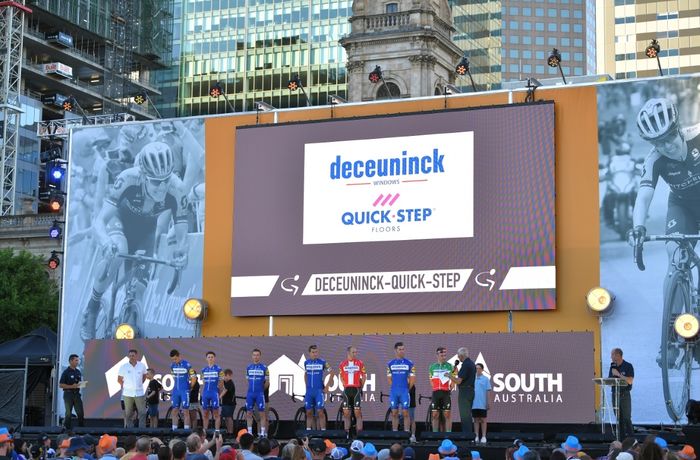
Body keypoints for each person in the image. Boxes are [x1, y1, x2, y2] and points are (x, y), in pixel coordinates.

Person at [80, 142, 189, 340]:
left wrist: (182, 255)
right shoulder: (128, 178)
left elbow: (183, 235)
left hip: (146, 232)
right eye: (156, 182)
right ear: (143, 175)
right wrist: (105, 242)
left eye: (166, 179)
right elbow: (100, 221)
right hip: (119, 223)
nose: (163, 187)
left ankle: (132, 322)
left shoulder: (177, 188)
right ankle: (92, 306)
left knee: (139, 291)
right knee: (118, 250)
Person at [629, 98, 700, 348]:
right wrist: (638, 228)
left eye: (669, 137)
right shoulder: (654, 159)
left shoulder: (698, 136)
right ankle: (670, 332)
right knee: (675, 258)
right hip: (682, 208)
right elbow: (643, 197)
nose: (666, 146)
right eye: (658, 142)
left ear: (678, 128)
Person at [386, 342, 416, 442]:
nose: (402, 351)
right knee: (394, 413)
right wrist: (395, 387)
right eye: (400, 349)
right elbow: (389, 379)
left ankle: (407, 433)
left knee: (405, 413)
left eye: (403, 349)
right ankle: (395, 433)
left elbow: (412, 379)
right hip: (394, 391)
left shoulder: (410, 363)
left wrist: (407, 389)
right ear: (395, 350)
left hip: (404, 391)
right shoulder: (390, 363)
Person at [303, 345, 333, 430]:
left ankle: (323, 432)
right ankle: (309, 432)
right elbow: (305, 374)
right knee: (309, 412)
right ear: (309, 353)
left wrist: (327, 386)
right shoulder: (306, 363)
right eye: (313, 352)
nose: (315, 354)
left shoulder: (322, 362)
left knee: (320, 412)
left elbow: (332, 373)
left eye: (316, 352)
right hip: (309, 391)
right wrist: (306, 386)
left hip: (318, 391)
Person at [338, 346, 366, 436]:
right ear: (348, 353)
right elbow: (341, 376)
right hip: (347, 390)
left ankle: (359, 434)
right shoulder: (342, 364)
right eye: (353, 352)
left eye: (356, 352)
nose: (355, 354)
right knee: (346, 414)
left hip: (356, 390)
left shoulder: (360, 363)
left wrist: (362, 386)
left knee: (357, 413)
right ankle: (346, 435)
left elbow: (364, 375)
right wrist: (344, 384)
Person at [448, 347, 476, 434]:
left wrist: (449, 376)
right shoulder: (471, 363)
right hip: (470, 391)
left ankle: (467, 435)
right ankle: (469, 434)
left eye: (458, 355)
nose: (458, 357)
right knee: (467, 414)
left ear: (461, 355)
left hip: (465, 392)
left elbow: (459, 381)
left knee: (465, 415)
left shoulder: (466, 364)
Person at [118, 349, 148, 428]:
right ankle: (131, 431)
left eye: (133, 355)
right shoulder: (124, 367)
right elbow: (119, 379)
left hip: (139, 393)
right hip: (127, 394)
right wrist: (126, 386)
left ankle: (142, 431)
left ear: (136, 356)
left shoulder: (142, 365)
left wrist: (139, 384)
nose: (131, 357)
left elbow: (145, 376)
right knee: (128, 414)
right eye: (130, 356)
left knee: (142, 412)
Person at [608, 348, 634, 438]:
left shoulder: (628, 366)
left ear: (618, 355)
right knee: (619, 419)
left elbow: (630, 381)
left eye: (612, 355)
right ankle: (621, 440)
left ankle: (632, 439)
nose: (611, 357)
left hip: (624, 395)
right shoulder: (612, 367)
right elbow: (610, 381)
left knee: (626, 418)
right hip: (615, 395)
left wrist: (618, 374)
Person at [428, 347, 454, 432]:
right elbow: (431, 381)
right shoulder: (432, 367)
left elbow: (454, 379)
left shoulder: (450, 366)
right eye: (441, 355)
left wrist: (451, 386)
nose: (443, 357)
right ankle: (435, 434)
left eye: (445, 355)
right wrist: (436, 388)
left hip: (445, 392)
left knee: (447, 414)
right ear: (437, 355)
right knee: (435, 414)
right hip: (436, 392)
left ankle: (448, 435)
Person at [170, 349, 197, 430]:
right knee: (174, 411)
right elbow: (173, 376)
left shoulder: (187, 364)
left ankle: (186, 431)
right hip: (175, 391)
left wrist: (190, 387)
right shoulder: (172, 365)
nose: (174, 361)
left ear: (179, 356)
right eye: (173, 359)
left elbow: (193, 377)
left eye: (175, 359)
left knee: (185, 411)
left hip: (184, 391)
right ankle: (174, 430)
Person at [245, 349, 269, 437]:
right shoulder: (248, 367)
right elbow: (248, 380)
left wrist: (261, 390)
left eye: (257, 355)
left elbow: (267, 382)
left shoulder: (264, 367)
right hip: (250, 393)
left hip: (260, 394)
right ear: (252, 356)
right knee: (249, 413)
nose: (256, 356)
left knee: (262, 413)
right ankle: (250, 432)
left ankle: (262, 433)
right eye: (254, 355)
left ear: (260, 356)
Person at [59, 354, 85, 429]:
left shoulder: (78, 372)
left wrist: (83, 384)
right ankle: (67, 429)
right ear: (71, 361)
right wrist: (71, 386)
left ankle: (81, 429)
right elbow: (61, 385)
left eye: (78, 360)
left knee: (80, 413)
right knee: (68, 413)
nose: (78, 362)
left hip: (77, 394)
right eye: (76, 360)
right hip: (68, 394)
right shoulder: (66, 372)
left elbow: (78, 383)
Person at [201, 351, 225, 430]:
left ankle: (217, 431)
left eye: (212, 357)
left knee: (216, 414)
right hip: (206, 393)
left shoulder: (219, 369)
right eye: (209, 357)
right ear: (206, 359)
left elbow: (221, 383)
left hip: (214, 393)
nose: (210, 358)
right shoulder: (203, 370)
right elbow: (204, 383)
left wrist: (219, 393)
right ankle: (205, 431)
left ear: (214, 358)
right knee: (205, 414)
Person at [472, 363, 491, 443]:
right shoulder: (472, 378)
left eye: (479, 368)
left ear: (482, 369)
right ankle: (476, 436)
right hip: (473, 403)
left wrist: (488, 402)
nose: (477, 370)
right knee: (476, 420)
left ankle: (483, 436)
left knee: (483, 420)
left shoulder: (486, 379)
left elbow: (488, 391)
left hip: (482, 403)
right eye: (476, 368)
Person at [220, 369, 236, 434]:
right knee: (226, 418)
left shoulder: (230, 383)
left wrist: (218, 397)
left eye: (225, 376)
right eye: (223, 376)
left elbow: (224, 391)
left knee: (229, 417)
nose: (223, 377)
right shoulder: (224, 382)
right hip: (225, 403)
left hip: (230, 404)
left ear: (229, 376)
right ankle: (228, 431)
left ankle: (231, 432)